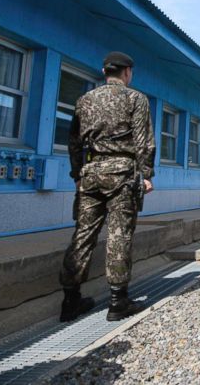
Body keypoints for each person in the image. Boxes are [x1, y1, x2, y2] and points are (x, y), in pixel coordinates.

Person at [59, 51, 155, 323]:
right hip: (122, 173)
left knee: (83, 234)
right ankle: (117, 301)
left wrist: (77, 174)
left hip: (90, 173)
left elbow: (74, 141)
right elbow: (143, 140)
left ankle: (70, 300)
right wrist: (146, 173)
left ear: (105, 72)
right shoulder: (136, 99)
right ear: (127, 72)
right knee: (119, 234)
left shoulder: (84, 100)